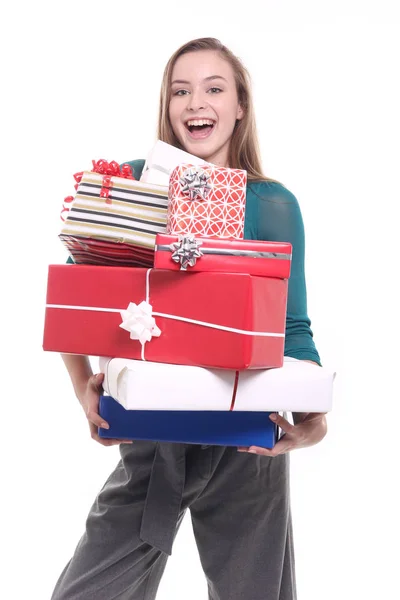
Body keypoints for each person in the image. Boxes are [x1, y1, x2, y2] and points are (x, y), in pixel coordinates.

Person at [52, 37, 327, 600]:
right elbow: (76, 294)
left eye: (213, 88)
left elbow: (293, 327)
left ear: (240, 106)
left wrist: (313, 416)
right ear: (167, 103)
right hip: (152, 439)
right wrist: (84, 389)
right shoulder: (131, 181)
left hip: (248, 446)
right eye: (181, 90)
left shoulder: (272, 203)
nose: (195, 102)